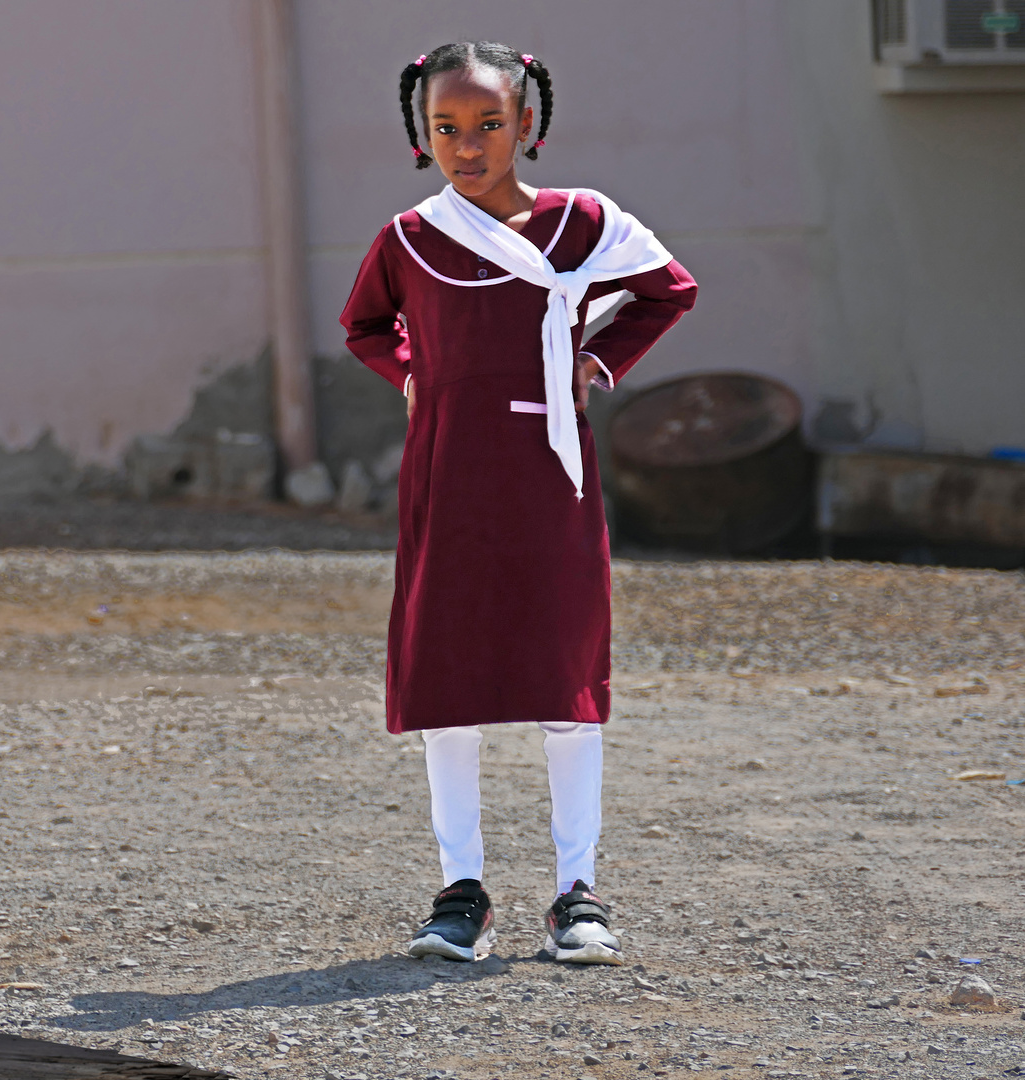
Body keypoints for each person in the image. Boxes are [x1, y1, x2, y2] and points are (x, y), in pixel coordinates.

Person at [339, 40, 697, 965]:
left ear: (527, 123)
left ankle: (578, 895)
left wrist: (598, 359)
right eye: (447, 127)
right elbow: (365, 326)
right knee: (448, 686)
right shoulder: (410, 237)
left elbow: (668, 291)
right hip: (447, 476)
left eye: (489, 124)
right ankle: (461, 895)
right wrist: (408, 373)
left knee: (564, 683)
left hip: (551, 474)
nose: (469, 145)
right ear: (422, 132)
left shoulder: (585, 224)